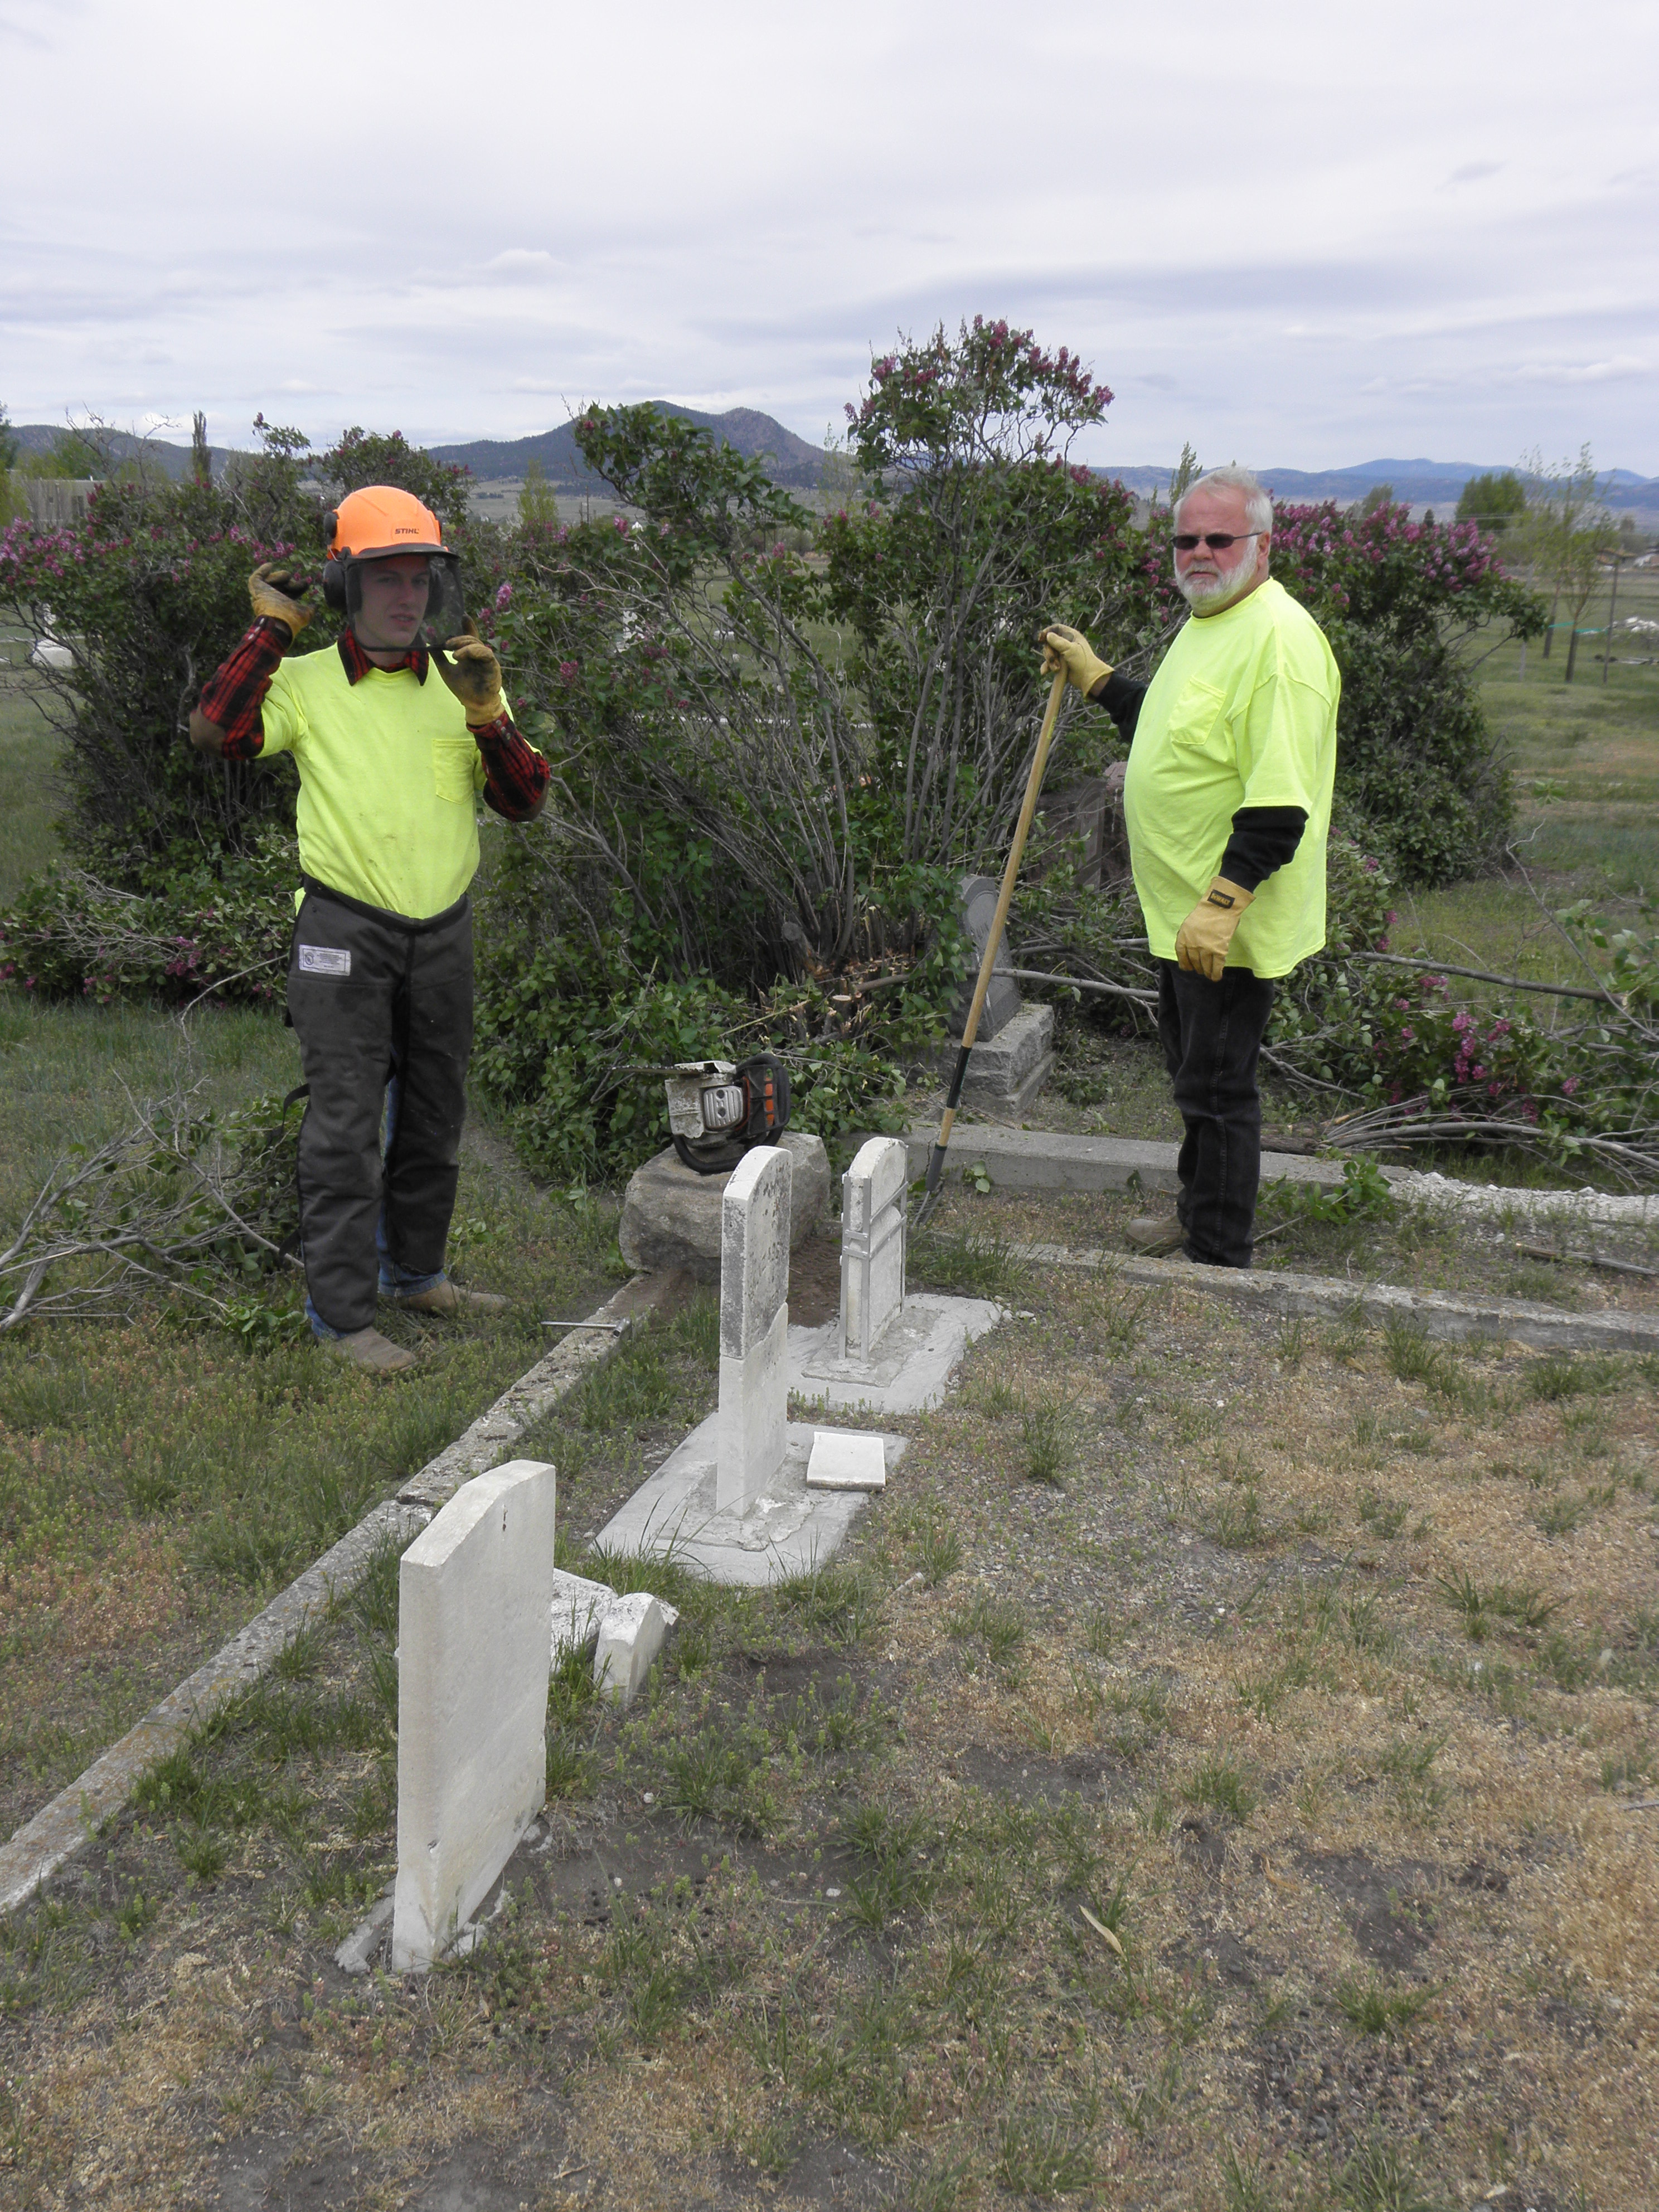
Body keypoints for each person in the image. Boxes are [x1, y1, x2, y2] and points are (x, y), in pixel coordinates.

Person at [189, 485, 550, 1371]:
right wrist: (268, 631)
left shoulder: (466, 683)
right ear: (348, 585)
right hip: (343, 933)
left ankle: (416, 1276)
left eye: (420, 578)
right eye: (385, 577)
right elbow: (215, 733)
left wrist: (487, 716)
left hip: (445, 932)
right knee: (345, 1129)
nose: (406, 596)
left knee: (434, 1115)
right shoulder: (306, 683)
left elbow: (525, 801)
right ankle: (343, 1322)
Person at [1040, 464, 1338, 1269]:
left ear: (1263, 544)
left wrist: (1223, 900)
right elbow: (1174, 729)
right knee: (1193, 1075)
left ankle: (1216, 1253)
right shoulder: (1213, 621)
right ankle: (1195, 1212)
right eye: (1186, 539)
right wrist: (1101, 681)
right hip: (1183, 915)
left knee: (1218, 1088)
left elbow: (1281, 807)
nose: (1200, 552)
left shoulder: (1278, 645)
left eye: (1219, 538)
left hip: (1226, 921)